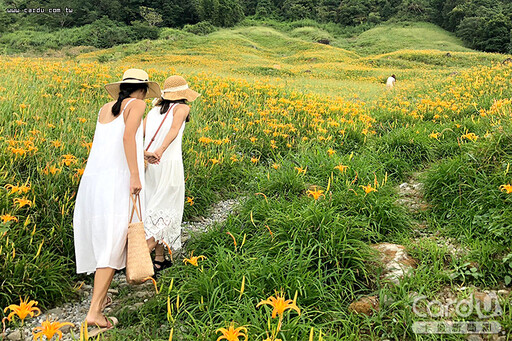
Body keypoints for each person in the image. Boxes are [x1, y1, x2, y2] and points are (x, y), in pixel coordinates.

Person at [73, 69, 160, 335]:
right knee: (113, 242)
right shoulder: (139, 104)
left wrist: (142, 154)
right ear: (143, 89)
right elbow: (125, 137)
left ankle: (100, 299)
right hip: (117, 181)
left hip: (95, 181)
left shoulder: (105, 108)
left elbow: (112, 142)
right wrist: (135, 175)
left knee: (104, 239)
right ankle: (94, 313)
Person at [144, 75, 200, 271]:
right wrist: (161, 150)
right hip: (167, 163)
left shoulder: (152, 111)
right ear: (183, 94)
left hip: (149, 166)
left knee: (156, 211)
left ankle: (159, 259)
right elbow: (174, 130)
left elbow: (141, 134)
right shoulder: (183, 108)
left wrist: (145, 153)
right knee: (166, 212)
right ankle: (138, 260)